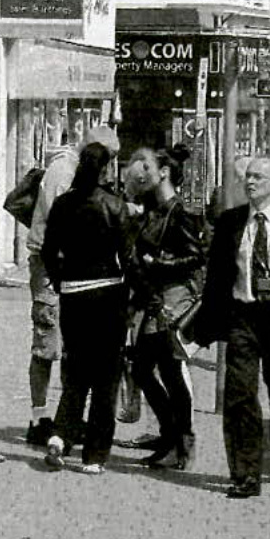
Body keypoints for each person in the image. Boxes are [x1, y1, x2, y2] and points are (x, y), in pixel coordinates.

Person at [189, 155, 270, 498]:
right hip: (243, 318)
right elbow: (218, 278)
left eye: (259, 178)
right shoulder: (231, 222)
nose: (250, 183)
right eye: (248, 177)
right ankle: (245, 473)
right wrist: (204, 328)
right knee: (240, 395)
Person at [24, 124, 121, 446]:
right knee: (47, 344)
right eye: (110, 159)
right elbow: (60, 227)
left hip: (73, 273)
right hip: (53, 268)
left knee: (73, 349)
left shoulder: (78, 176)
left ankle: (68, 419)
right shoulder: (63, 172)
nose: (111, 169)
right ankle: (39, 419)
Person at [40, 141, 132, 474]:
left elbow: (48, 250)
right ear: (106, 169)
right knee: (106, 376)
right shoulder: (115, 205)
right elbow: (129, 258)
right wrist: (133, 296)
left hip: (73, 294)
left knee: (76, 370)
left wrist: (60, 280)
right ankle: (94, 454)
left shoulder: (64, 205)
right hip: (108, 294)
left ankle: (61, 435)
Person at [125, 144, 205, 469]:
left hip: (171, 303)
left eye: (147, 166)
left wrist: (158, 263)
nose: (140, 172)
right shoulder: (153, 209)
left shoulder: (178, 212)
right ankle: (172, 435)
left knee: (165, 370)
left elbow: (197, 255)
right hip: (153, 301)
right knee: (144, 368)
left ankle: (181, 442)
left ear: (164, 173)